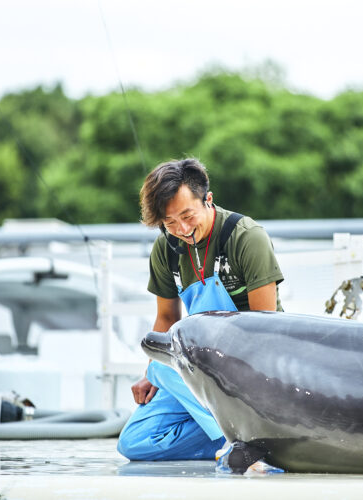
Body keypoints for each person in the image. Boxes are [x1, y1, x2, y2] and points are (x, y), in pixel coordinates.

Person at [117, 157, 284, 461]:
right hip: (199, 365)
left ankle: (235, 438)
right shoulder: (166, 248)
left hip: (252, 365)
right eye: (170, 223)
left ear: (208, 199)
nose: (181, 228)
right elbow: (167, 318)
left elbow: (266, 330)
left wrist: (167, 373)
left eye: (187, 215)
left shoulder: (247, 237)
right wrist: (153, 375)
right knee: (134, 442)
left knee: (164, 369)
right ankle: (240, 438)